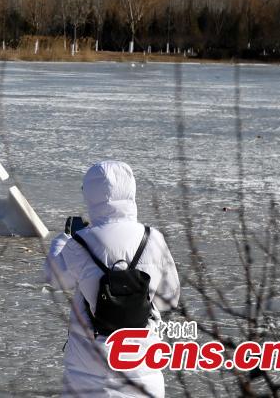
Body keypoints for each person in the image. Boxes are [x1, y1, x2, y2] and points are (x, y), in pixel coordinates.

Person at [44, 160, 180, 397]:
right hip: (143, 367)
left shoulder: (80, 243)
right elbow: (169, 298)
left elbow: (53, 278)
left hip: (88, 373)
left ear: (90, 194)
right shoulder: (153, 238)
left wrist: (63, 239)